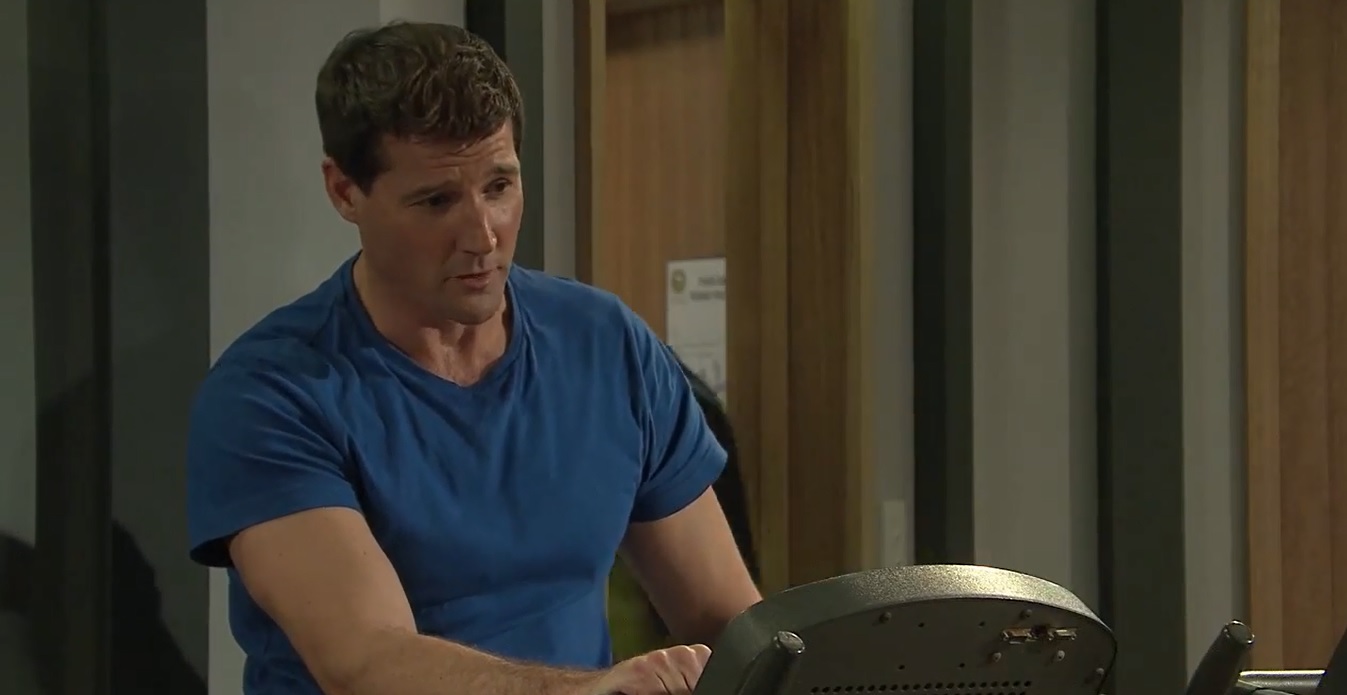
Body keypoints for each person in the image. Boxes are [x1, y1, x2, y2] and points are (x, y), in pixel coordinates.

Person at [185, 20, 761, 695]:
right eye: (437, 201)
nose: (483, 236)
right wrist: (586, 691)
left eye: (499, 187)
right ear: (344, 191)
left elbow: (728, 621)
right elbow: (366, 660)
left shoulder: (605, 344)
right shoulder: (270, 393)